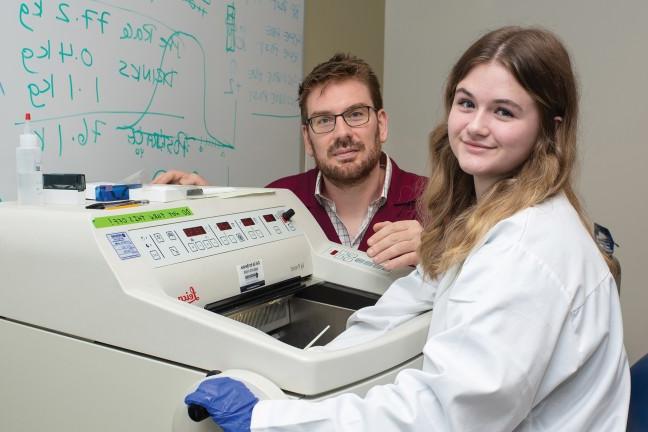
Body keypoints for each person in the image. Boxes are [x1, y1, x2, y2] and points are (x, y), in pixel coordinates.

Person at [183, 26, 630, 431]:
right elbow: (401, 303)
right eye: (466, 103)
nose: (475, 126)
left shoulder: (523, 247)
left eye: (505, 112)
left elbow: (443, 416)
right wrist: (301, 367)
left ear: (548, 129)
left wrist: (269, 418)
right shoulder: (480, 215)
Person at [153, 54, 427, 270]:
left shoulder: (440, 202)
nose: (342, 133)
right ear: (307, 139)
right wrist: (205, 210)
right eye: (323, 120)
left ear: (381, 125)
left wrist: (438, 252)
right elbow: (234, 260)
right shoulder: (277, 200)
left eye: (355, 114)